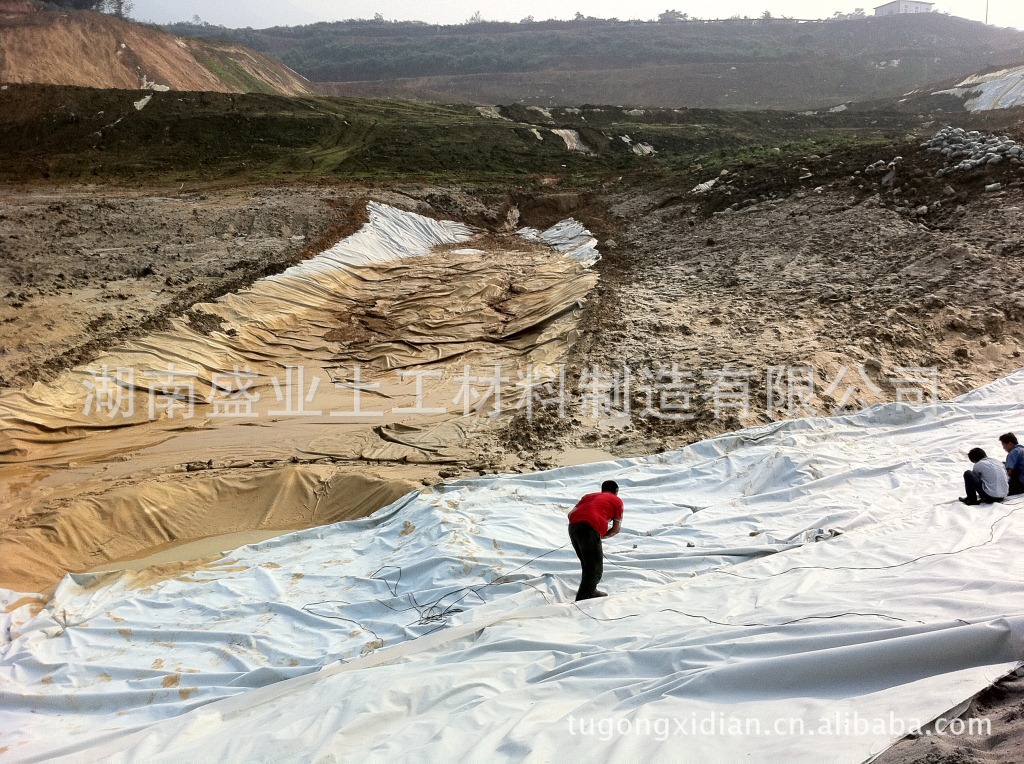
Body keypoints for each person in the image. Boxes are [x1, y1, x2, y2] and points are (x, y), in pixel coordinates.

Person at [567, 480, 623, 601]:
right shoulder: (617, 501)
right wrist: (600, 535)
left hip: (573, 526)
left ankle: (591, 591)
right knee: (594, 569)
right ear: (616, 491)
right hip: (590, 528)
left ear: (602, 489)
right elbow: (616, 529)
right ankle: (582, 600)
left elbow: (570, 514)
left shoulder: (588, 496)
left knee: (586, 563)